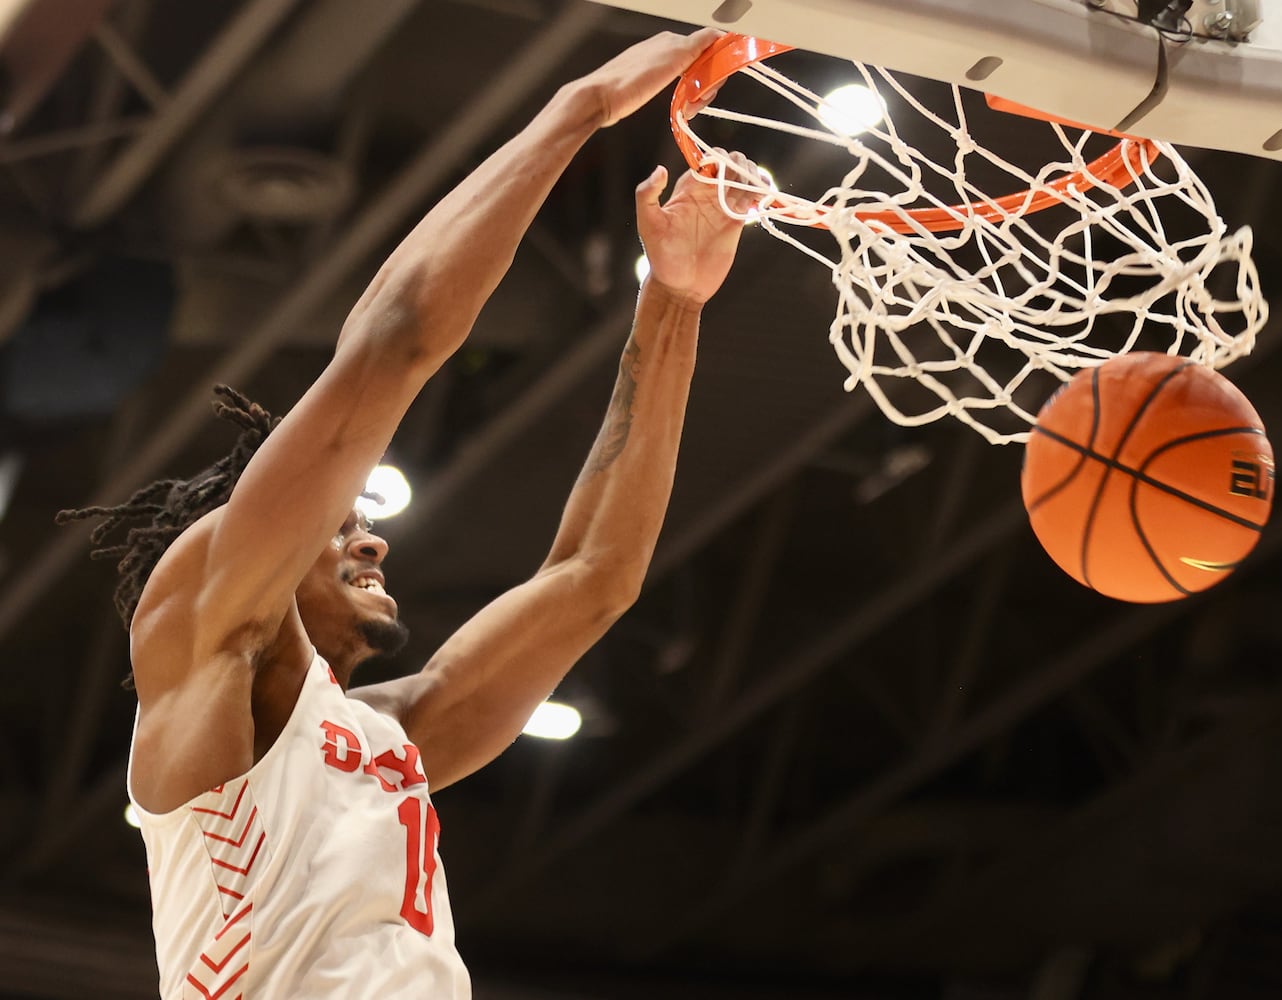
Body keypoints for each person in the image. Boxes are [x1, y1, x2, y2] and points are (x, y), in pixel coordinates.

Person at [57, 28, 758, 999]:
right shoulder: (202, 634)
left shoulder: (394, 737)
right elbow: (392, 342)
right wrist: (579, 108)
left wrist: (673, 301)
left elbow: (593, 578)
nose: (370, 533)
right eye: (338, 522)